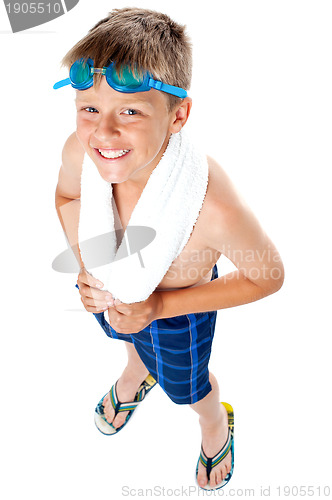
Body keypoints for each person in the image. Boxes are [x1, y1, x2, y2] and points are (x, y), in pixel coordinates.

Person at [54, 7, 284, 491]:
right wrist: (85, 267)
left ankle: (213, 421)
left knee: (186, 388)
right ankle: (138, 372)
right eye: (89, 109)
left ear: (177, 114)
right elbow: (69, 196)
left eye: (130, 111)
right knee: (124, 338)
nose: (103, 132)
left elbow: (269, 275)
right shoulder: (82, 151)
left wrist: (158, 305)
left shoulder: (212, 206)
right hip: (112, 292)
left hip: (179, 312)